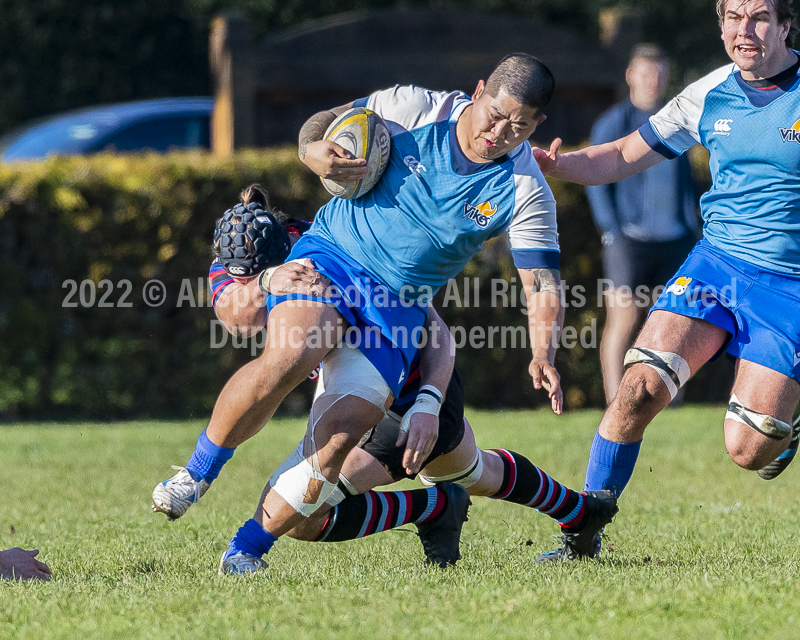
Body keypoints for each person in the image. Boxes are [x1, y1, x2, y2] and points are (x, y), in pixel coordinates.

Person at [154, 53, 583, 575]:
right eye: (494, 113)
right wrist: (314, 153)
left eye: (518, 126)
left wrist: (543, 351)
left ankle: (245, 551)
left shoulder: (524, 189)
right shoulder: (414, 107)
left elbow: (541, 282)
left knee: (337, 440)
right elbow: (322, 126)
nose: (499, 131)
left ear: (537, 125)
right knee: (293, 351)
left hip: (398, 312)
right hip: (333, 259)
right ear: (477, 91)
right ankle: (196, 473)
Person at [188, 186, 618, 568]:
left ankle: (247, 548)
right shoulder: (242, 269)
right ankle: (576, 513)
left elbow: (438, 336)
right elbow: (237, 311)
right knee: (473, 471)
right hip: (361, 396)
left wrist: (428, 404)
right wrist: (263, 281)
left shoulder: (337, 251)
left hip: (411, 392)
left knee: (302, 507)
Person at [533, 0, 800, 561]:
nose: (743, 31)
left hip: (789, 288)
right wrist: (557, 165)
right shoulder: (709, 93)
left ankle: (785, 419)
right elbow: (623, 155)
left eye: (758, 18)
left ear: (784, 25)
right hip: (717, 266)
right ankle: (583, 532)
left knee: (750, 450)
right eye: (732, 17)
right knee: (638, 387)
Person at [586, 44, 699, 404]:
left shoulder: (676, 120)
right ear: (631, 76)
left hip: (675, 238)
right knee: (624, 318)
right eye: (647, 73)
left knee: (676, 320)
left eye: (661, 74)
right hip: (627, 239)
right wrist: (611, 230)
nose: (655, 81)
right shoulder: (613, 123)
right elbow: (595, 177)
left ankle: (672, 402)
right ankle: (613, 401)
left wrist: (693, 224)